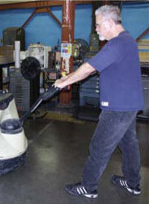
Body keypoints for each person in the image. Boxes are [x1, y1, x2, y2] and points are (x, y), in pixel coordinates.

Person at [54, 5, 144, 198]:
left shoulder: (117, 44)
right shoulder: (128, 41)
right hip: (129, 105)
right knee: (129, 143)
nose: (96, 30)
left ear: (110, 23)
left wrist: (64, 81)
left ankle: (88, 187)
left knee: (99, 145)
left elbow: (88, 68)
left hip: (118, 109)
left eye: (98, 25)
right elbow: (97, 67)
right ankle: (132, 183)